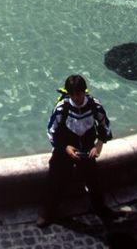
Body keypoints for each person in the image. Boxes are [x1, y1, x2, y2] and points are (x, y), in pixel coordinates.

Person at [37, 74, 120, 227]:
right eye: (73, 94)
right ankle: (49, 211)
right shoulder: (62, 108)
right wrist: (65, 147)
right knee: (55, 179)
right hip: (65, 149)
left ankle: (99, 207)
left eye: (79, 93)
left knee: (93, 180)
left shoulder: (95, 106)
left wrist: (99, 144)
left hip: (87, 149)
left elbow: (105, 125)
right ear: (68, 93)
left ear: (84, 92)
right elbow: (51, 130)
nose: (76, 97)